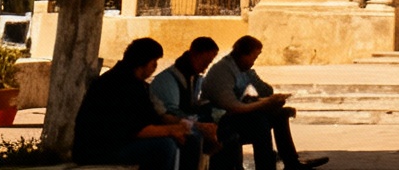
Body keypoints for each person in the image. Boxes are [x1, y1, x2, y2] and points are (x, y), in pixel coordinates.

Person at [202, 35, 327, 170]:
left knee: (281, 114)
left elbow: (266, 91)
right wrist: (264, 104)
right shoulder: (223, 70)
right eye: (253, 58)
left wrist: (268, 96)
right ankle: (266, 166)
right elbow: (233, 107)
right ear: (244, 55)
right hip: (220, 120)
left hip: (233, 115)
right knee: (260, 122)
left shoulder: (244, 70)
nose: (254, 62)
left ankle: (291, 162)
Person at [73, 36, 189, 170]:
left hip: (119, 143)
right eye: (153, 62)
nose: (155, 67)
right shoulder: (116, 83)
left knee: (188, 139)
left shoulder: (137, 84)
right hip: (99, 149)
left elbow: (151, 118)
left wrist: (181, 126)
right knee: (164, 147)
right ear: (143, 62)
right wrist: (170, 130)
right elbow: (135, 129)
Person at [151, 37, 222, 167]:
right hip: (166, 122)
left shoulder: (193, 78)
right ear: (195, 55)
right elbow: (169, 114)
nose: (206, 67)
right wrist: (198, 125)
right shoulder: (168, 80)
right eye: (205, 62)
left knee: (224, 129)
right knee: (194, 138)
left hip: (183, 120)